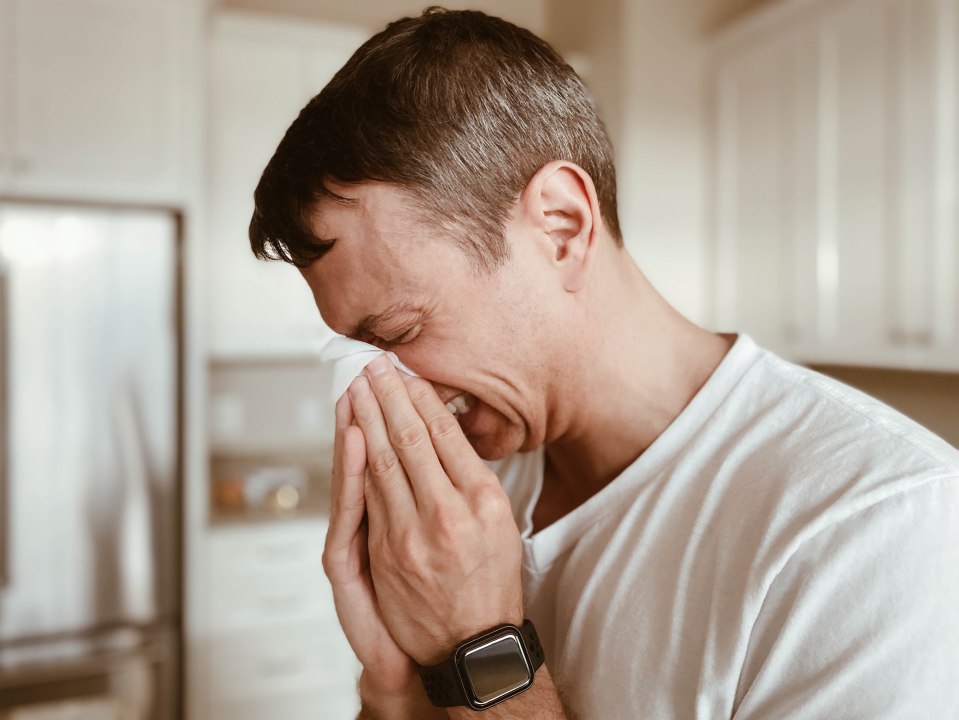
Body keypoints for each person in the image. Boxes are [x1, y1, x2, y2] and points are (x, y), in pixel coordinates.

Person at [248, 8, 959, 719]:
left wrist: (477, 649)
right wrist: (395, 686)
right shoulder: (461, 494)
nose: (391, 385)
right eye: (363, 350)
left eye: (401, 329)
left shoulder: (875, 528)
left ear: (560, 226)